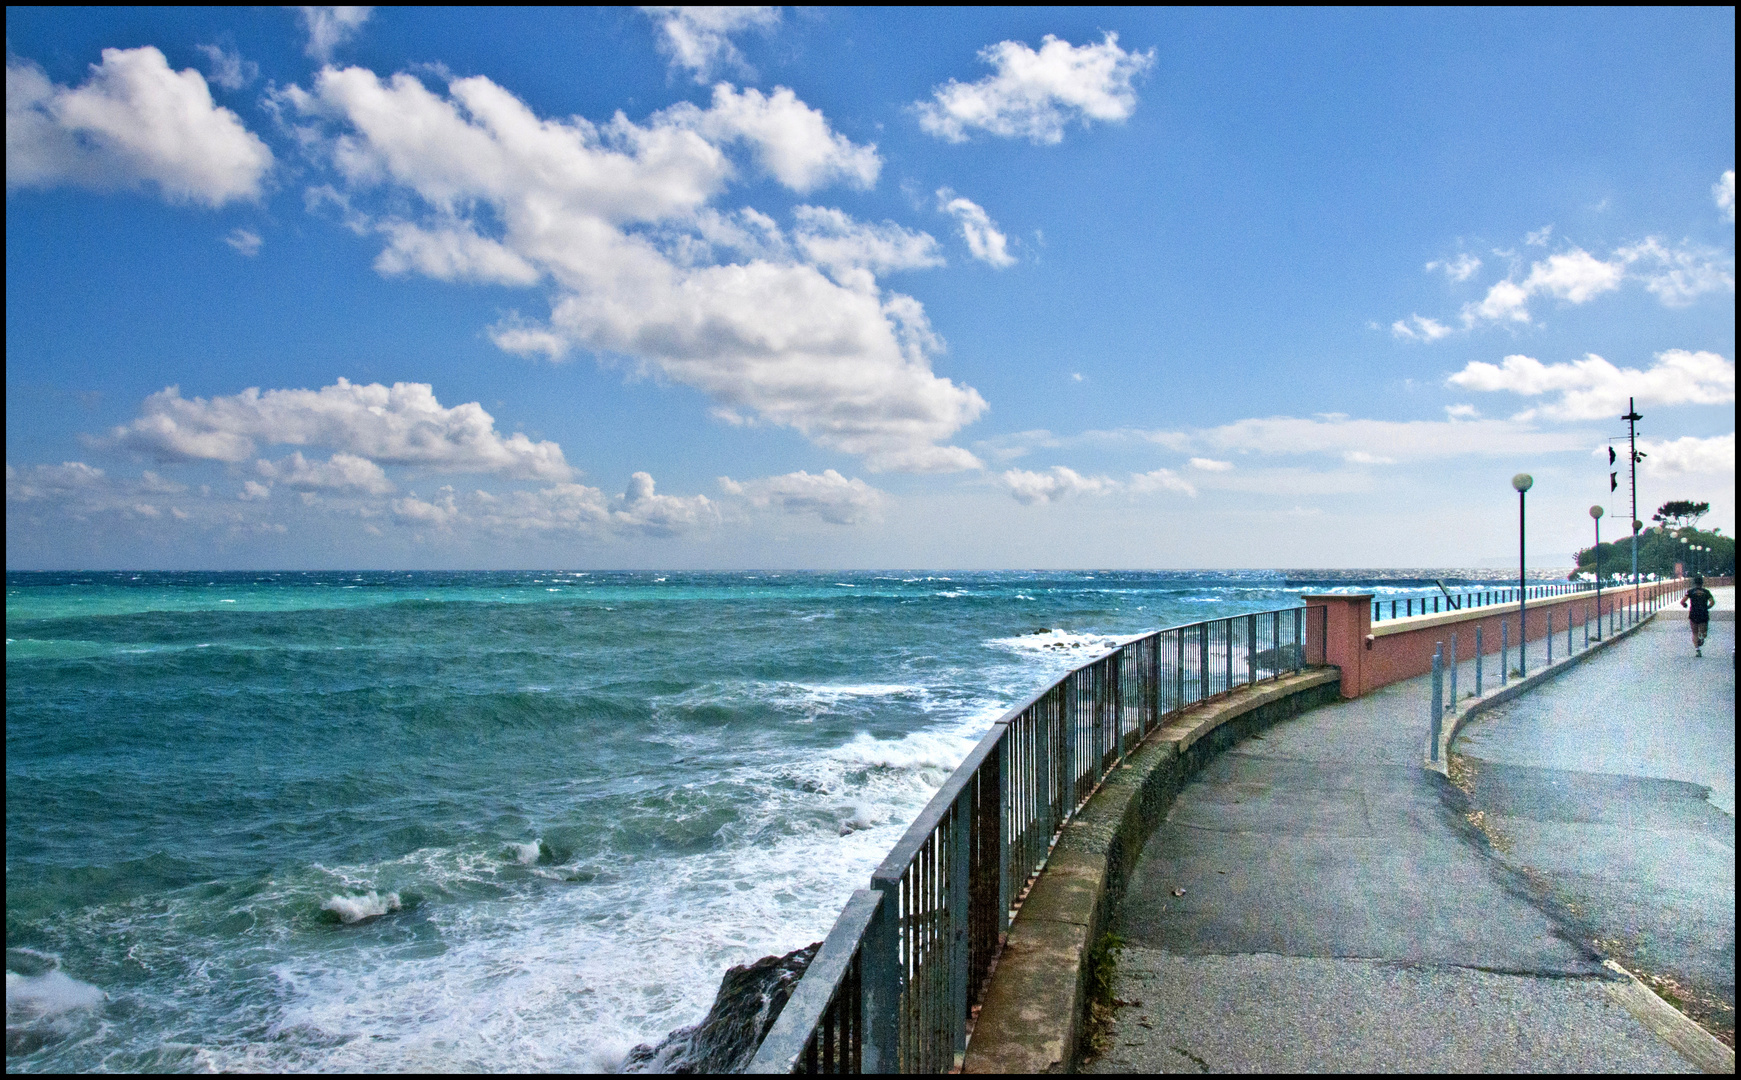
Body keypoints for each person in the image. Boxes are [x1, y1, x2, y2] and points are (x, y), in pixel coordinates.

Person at [1680, 575, 1715, 656]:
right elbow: (1712, 602)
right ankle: (1702, 637)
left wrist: (1685, 605)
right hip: (1703, 613)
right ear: (1702, 583)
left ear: (1694, 583)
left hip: (1694, 613)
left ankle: (1697, 650)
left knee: (1694, 632)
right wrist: (1707, 607)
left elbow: (1682, 601)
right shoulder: (1706, 592)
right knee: (1704, 631)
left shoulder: (1690, 592)